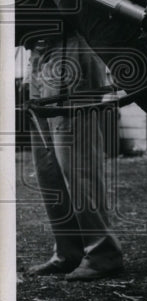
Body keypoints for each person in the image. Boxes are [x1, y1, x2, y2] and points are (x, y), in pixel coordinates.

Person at [25, 30, 124, 281]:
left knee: (76, 159)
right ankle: (69, 252)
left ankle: (103, 253)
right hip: (37, 46)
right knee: (49, 166)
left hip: (68, 43)